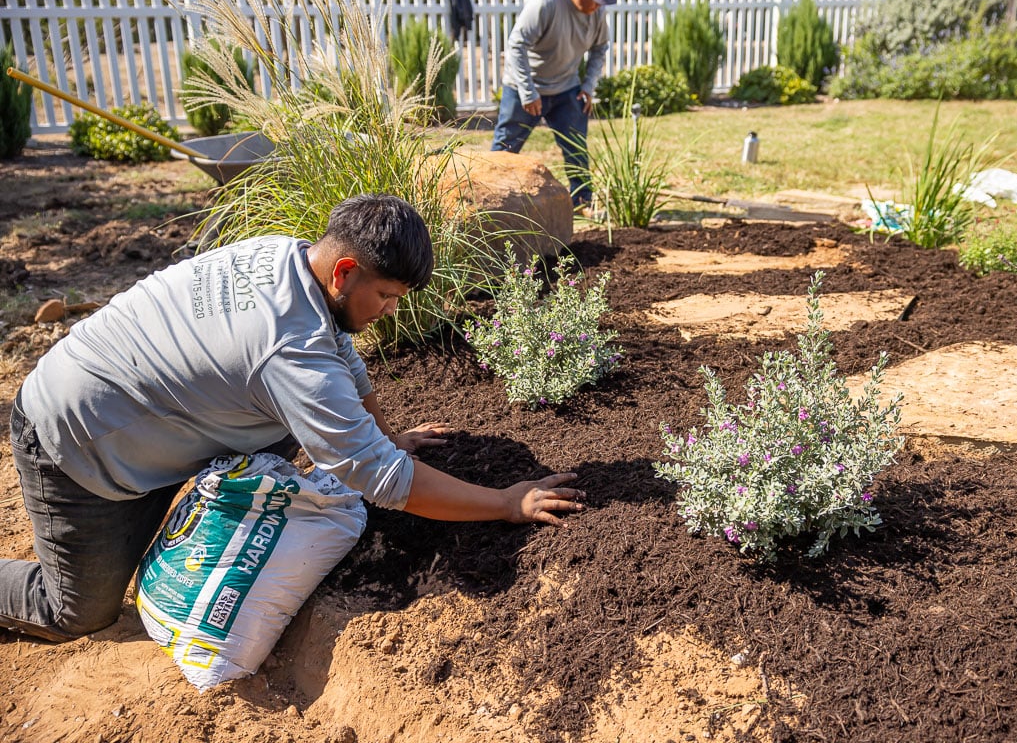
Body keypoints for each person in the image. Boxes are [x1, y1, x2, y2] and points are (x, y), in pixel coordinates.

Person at [0, 193, 586, 643]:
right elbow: (376, 478)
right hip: (80, 445)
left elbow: (345, 365)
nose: (387, 311)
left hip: (151, 419)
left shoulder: (288, 256)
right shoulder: (287, 348)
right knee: (77, 612)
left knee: (290, 424)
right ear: (345, 270)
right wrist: (506, 503)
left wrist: (390, 435)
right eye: (385, 296)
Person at [491, 0, 617, 211]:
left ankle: (581, 203)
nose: (597, 6)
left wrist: (588, 86)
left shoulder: (597, 11)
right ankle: (491, 205)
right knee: (504, 150)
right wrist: (528, 92)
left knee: (576, 148)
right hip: (524, 88)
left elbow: (601, 47)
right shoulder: (546, 2)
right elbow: (516, 45)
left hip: (565, 87)